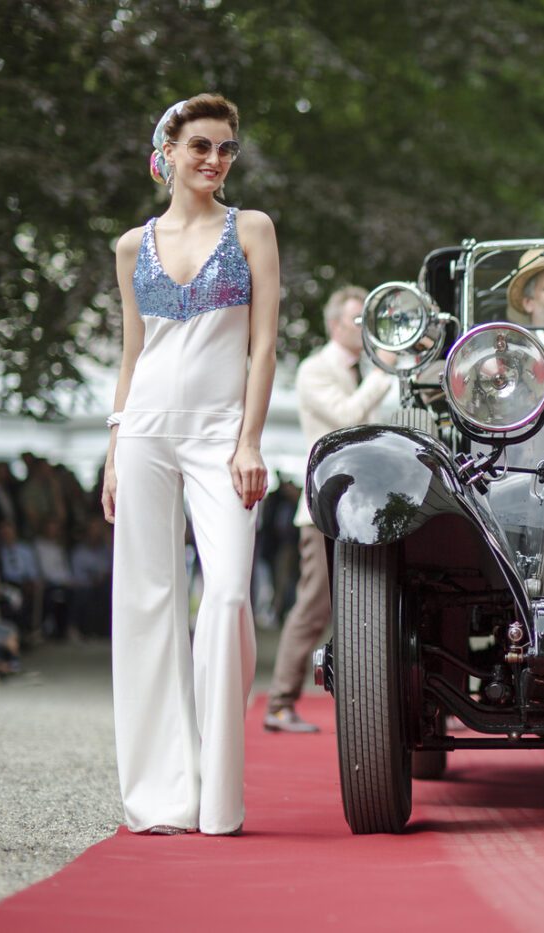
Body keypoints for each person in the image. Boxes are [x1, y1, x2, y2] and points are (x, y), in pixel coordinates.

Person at [103, 94, 279, 836]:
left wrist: (249, 440)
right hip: (144, 431)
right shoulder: (130, 246)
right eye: (201, 145)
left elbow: (263, 347)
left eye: (226, 148)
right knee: (146, 605)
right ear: (167, 152)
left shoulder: (252, 229)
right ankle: (161, 795)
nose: (215, 159)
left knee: (229, 596)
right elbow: (132, 353)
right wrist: (114, 452)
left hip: (219, 438)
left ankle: (217, 792)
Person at [263, 286, 393, 733]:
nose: (365, 327)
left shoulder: (366, 370)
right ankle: (280, 702)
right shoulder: (315, 369)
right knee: (314, 607)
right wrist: (384, 372)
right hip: (321, 511)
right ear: (335, 324)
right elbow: (346, 419)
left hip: (364, 511)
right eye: (358, 319)